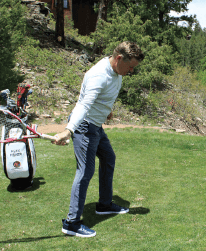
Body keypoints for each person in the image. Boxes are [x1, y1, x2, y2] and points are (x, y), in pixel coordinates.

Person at [53, 41, 144, 237]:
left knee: (108, 158)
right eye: (130, 67)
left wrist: (106, 111)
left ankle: (104, 204)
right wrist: (68, 130)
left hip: (96, 125)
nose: (131, 71)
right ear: (119, 58)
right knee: (85, 172)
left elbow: (101, 97)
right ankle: (71, 223)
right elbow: (84, 105)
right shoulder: (98, 75)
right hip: (85, 126)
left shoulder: (116, 71)